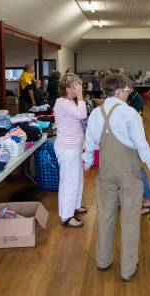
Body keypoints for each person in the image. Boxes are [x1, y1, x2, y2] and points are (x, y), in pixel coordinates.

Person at [83, 74, 150, 282]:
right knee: (130, 219)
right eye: (128, 91)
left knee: (105, 216)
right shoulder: (130, 114)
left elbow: (90, 142)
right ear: (120, 91)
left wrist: (86, 163)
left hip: (106, 171)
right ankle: (128, 268)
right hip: (128, 172)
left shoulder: (95, 113)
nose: (129, 94)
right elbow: (141, 145)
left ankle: (103, 260)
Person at [54, 73, 88, 228]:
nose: (79, 89)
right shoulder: (62, 102)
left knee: (77, 179)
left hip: (74, 147)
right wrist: (80, 96)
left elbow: (80, 118)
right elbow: (82, 114)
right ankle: (66, 216)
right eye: (76, 86)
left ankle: (75, 205)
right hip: (68, 148)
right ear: (68, 89)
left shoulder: (69, 102)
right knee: (69, 182)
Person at [126, 88, 150, 215]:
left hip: (133, 140)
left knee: (138, 170)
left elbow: (141, 142)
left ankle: (148, 199)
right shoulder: (127, 99)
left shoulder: (136, 99)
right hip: (125, 141)